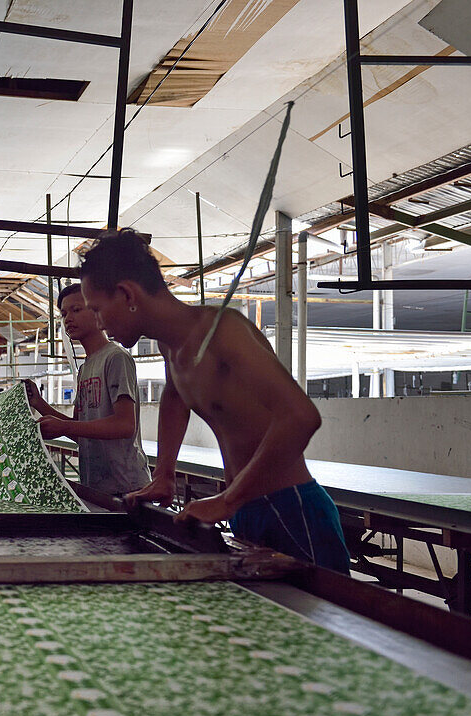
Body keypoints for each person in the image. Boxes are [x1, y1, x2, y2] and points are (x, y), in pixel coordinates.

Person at [78, 229, 350, 573]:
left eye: (97, 310)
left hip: (291, 508)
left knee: (326, 621)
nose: (98, 322)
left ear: (127, 293)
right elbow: (175, 395)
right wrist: (164, 473)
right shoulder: (170, 345)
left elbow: (301, 417)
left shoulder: (222, 332)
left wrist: (226, 500)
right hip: (245, 509)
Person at [25, 283, 152, 498]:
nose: (68, 319)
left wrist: (63, 426)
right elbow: (80, 432)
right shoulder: (85, 368)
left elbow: (125, 425)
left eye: (76, 310)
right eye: (64, 314)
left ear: (97, 312)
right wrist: (39, 404)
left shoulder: (116, 358)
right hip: (98, 487)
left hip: (127, 487)